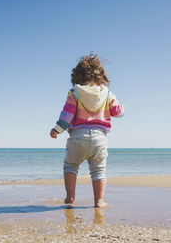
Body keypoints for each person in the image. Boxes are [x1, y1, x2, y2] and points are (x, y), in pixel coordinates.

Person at [50, 52, 125, 208]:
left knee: (71, 166)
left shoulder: (75, 92)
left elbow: (67, 115)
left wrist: (57, 129)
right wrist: (123, 108)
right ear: (101, 75)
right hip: (99, 138)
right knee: (98, 170)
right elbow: (116, 112)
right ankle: (99, 200)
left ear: (77, 75)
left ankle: (70, 196)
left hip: (78, 136)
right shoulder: (107, 93)